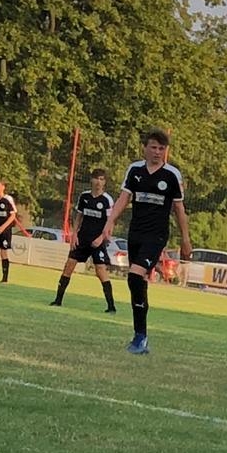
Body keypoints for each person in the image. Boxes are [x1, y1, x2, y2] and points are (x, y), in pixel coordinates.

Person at [93, 129, 192, 355]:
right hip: (135, 233)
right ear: (145, 148)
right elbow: (123, 198)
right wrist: (109, 222)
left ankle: (140, 337)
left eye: (161, 148)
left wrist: (186, 239)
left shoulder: (172, 175)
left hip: (156, 235)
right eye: (153, 147)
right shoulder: (135, 170)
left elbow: (179, 209)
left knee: (135, 276)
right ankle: (140, 336)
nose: (157, 152)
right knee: (137, 283)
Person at [51, 169, 118, 312]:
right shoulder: (84, 196)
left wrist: (101, 238)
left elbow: (111, 222)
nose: (98, 182)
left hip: (97, 240)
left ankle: (111, 306)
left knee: (100, 271)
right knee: (69, 265)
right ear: (91, 180)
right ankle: (58, 300)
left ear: (104, 182)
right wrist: (74, 234)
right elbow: (79, 216)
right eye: (96, 179)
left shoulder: (107, 200)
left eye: (101, 179)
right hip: (82, 238)